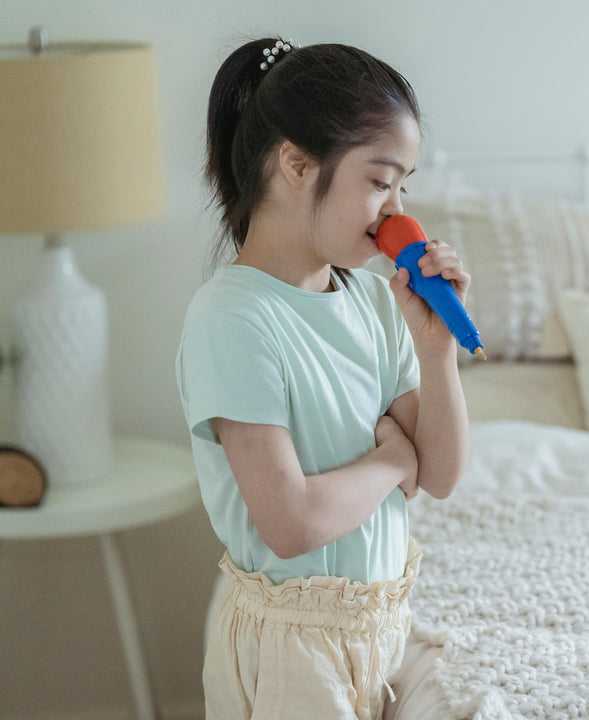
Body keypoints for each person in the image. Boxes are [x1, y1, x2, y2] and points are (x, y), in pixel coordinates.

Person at [175, 37, 469, 719]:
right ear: (296, 164)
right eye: (379, 180)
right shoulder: (233, 320)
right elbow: (290, 521)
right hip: (293, 651)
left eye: (404, 186)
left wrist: (436, 349)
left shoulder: (371, 302)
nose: (397, 211)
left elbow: (445, 476)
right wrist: (394, 458)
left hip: (380, 626)